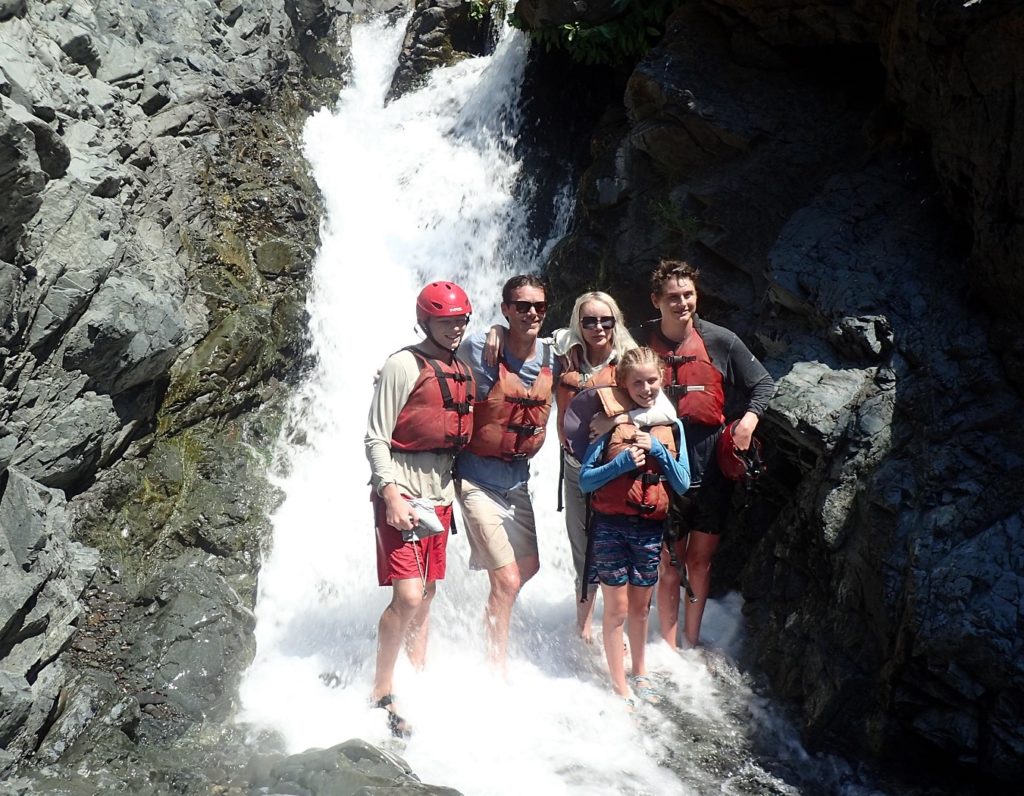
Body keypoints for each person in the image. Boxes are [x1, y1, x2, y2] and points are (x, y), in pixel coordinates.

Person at [631, 258, 774, 649]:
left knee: (700, 560)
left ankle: (690, 643)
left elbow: (763, 385)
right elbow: (607, 382)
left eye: (688, 294)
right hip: (661, 463)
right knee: (669, 562)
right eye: (673, 297)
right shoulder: (638, 345)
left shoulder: (721, 341)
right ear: (656, 300)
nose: (682, 303)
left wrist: (746, 423)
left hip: (711, 464)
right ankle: (671, 645)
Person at [485, 291, 638, 642]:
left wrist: (619, 419)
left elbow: (657, 407)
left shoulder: (630, 357)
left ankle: (622, 629)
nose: (598, 327)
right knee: (583, 549)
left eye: (605, 320)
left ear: (616, 321)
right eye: (589, 321)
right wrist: (496, 328)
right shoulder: (561, 351)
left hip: (620, 467)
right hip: (576, 468)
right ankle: (582, 629)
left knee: (621, 546)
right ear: (577, 323)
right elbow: (522, 340)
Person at [365, 281, 474, 736]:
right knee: (407, 594)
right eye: (447, 321)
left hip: (441, 491)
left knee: (427, 593)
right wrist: (389, 493)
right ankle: (380, 690)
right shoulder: (401, 365)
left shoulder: (461, 368)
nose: (455, 328)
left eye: (461, 320)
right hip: (403, 488)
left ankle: (416, 671)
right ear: (426, 321)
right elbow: (375, 435)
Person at [577, 347, 691, 705]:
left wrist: (658, 451)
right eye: (637, 382)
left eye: (652, 380)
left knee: (642, 609)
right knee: (618, 609)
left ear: (663, 379)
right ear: (624, 385)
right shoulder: (610, 422)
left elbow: (684, 481)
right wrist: (622, 463)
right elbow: (585, 481)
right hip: (610, 527)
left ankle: (640, 673)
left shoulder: (672, 426)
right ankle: (618, 684)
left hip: (649, 529)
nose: (646, 388)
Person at [456, 274, 557, 672]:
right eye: (521, 306)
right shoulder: (479, 348)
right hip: (476, 480)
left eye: (538, 306)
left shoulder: (554, 354)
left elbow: (607, 341)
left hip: (518, 482)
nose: (531, 312)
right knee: (508, 579)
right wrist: (393, 370)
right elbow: (433, 356)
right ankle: (494, 668)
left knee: (527, 568)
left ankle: (488, 621)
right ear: (505, 309)